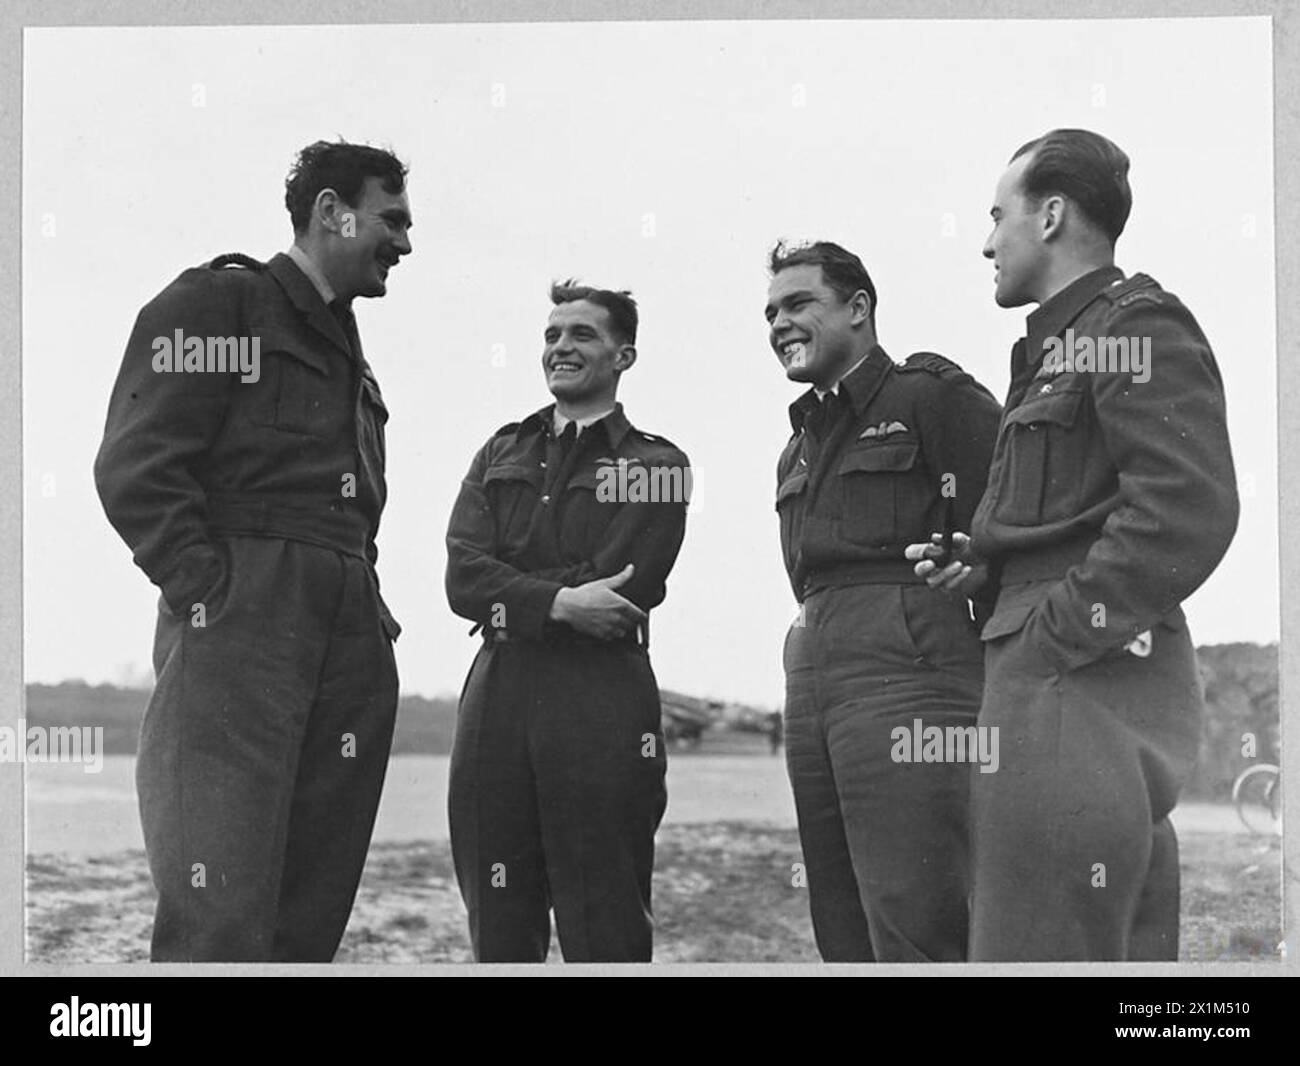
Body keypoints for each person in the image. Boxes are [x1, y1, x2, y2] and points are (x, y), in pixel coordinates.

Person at [908, 128, 1239, 960]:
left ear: (1050, 215)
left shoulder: (1132, 324)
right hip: (1051, 682)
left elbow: (1186, 509)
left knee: (1036, 949)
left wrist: (1050, 636)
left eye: (997, 216)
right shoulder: (1054, 347)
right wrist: (987, 564)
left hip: (1076, 685)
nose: (986, 242)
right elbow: (1076, 513)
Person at [94, 139, 413, 961]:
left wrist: (362, 611)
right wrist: (213, 594)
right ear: (330, 212)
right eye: (392, 220)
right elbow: (136, 465)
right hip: (244, 623)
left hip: (344, 631)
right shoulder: (222, 305)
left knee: (308, 916)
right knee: (220, 906)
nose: (405, 244)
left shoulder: (352, 352)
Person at [767, 240, 1001, 961]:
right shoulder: (799, 444)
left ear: (859, 308)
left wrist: (980, 570)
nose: (779, 324)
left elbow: (1008, 520)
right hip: (814, 678)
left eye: (799, 304)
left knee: (915, 918)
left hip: (912, 671)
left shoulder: (929, 395)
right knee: (841, 924)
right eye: (770, 312)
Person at [445, 281, 689, 962]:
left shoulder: (657, 464)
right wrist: (559, 602)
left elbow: (626, 585)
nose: (560, 348)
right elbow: (462, 579)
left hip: (601, 700)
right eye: (552, 335)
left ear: (624, 355)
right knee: (498, 919)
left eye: (582, 334)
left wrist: (515, 590)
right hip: (498, 695)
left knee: (605, 918)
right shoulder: (500, 452)